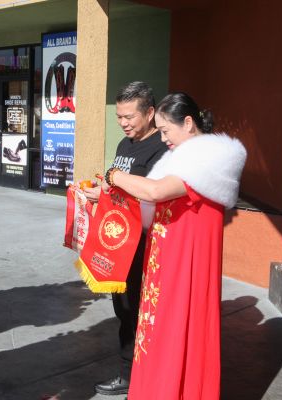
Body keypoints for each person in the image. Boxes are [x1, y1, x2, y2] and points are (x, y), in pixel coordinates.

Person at [102, 92, 246, 399]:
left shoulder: (208, 159)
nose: (163, 139)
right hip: (168, 260)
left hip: (187, 263)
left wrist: (114, 176)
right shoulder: (182, 156)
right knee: (159, 331)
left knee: (178, 332)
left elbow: (155, 191)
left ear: (189, 123)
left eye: (166, 131)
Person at [82, 82, 167, 396]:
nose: (123, 123)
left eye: (129, 116)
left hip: (147, 246)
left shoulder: (162, 147)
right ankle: (128, 373)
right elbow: (118, 189)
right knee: (124, 311)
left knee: (142, 313)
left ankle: (142, 377)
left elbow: (153, 194)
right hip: (120, 245)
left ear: (150, 112)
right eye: (119, 116)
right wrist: (98, 194)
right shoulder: (124, 145)